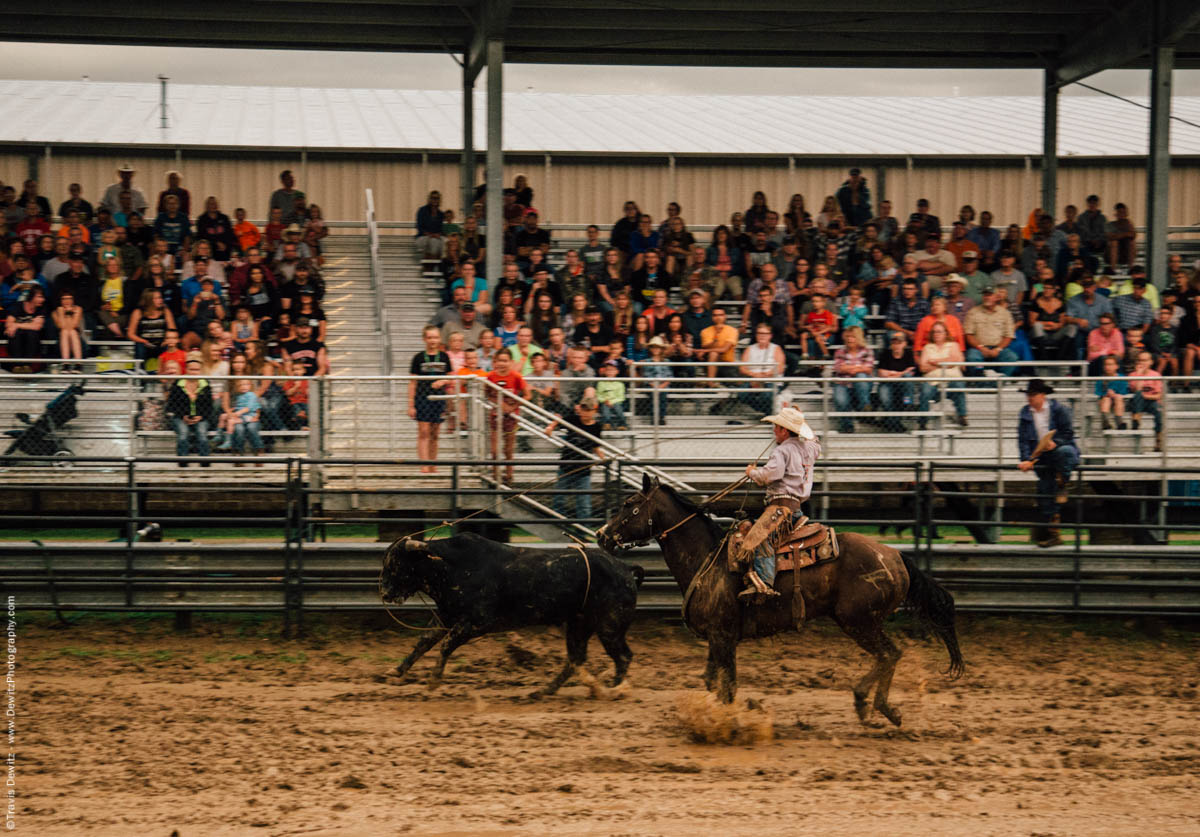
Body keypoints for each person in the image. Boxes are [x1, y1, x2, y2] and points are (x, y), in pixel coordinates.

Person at [736, 407, 822, 602]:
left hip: (780, 508)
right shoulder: (808, 449)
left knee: (759, 537)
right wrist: (803, 421)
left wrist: (752, 473)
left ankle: (765, 584)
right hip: (795, 507)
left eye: (776, 426)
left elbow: (770, 476)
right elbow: (815, 442)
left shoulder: (782, 451)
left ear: (784, 430)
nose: (774, 430)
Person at [1017, 379, 1079, 548]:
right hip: (1042, 456)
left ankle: (1063, 481)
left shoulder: (1059, 410)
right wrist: (1025, 459)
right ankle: (1053, 532)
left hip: (1058, 452)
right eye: (1029, 395)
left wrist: (1055, 442)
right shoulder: (1025, 413)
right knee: (1046, 489)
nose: (1030, 398)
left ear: (1042, 395)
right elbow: (1023, 439)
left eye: (1033, 395)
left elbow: (1068, 433)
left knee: (1064, 452)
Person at [547, 397, 605, 522]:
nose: (584, 413)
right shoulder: (573, 419)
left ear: (594, 411)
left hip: (584, 470)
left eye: (588, 410)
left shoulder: (597, 427)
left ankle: (584, 529)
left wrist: (603, 459)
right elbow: (558, 418)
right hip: (566, 465)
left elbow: (596, 446)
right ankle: (558, 524)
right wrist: (551, 427)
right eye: (583, 409)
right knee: (559, 499)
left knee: (583, 503)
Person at [408, 325, 451, 474]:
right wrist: (411, 405)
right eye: (430, 337)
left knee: (435, 433)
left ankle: (433, 464)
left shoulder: (444, 357)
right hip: (422, 398)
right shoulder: (418, 358)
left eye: (435, 337)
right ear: (424, 339)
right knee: (423, 432)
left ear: (440, 339)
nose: (433, 340)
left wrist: (442, 381)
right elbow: (412, 383)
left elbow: (451, 377)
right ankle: (424, 465)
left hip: (439, 399)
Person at [486, 350, 529, 484]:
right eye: (499, 360)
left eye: (505, 361)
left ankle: (509, 476)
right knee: (494, 450)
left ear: (511, 362)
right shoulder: (491, 376)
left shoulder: (516, 376)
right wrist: (497, 403)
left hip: (511, 416)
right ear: (495, 362)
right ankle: (495, 475)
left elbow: (528, 395)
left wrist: (513, 406)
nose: (502, 364)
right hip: (495, 415)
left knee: (508, 449)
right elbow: (487, 393)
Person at [918, 321, 969, 428]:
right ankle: (922, 421)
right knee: (925, 390)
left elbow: (954, 360)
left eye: (939, 332)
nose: (936, 334)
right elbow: (923, 367)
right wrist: (944, 363)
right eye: (934, 332)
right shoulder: (927, 347)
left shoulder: (954, 345)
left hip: (951, 381)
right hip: (933, 382)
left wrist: (934, 362)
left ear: (946, 333)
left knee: (960, 386)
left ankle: (962, 416)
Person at [166, 353, 213, 466]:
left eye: (197, 370)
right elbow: (172, 405)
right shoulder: (178, 384)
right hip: (180, 417)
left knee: (202, 434)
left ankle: (205, 465)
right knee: (183, 434)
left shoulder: (205, 384)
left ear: (200, 371)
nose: (194, 372)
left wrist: (200, 416)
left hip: (201, 417)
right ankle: (183, 465)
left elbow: (209, 406)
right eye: (191, 369)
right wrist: (183, 416)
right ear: (186, 369)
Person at [963, 286, 1018, 376]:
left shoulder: (1005, 313)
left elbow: (1009, 336)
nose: (986, 297)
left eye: (990, 295)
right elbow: (968, 335)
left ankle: (999, 383)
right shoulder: (973, 312)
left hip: (998, 348)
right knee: (973, 358)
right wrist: (981, 348)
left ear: (996, 297)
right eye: (985, 295)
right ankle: (979, 383)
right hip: (978, 348)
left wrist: (998, 349)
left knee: (1011, 357)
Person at [831, 326, 874, 433]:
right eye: (848, 336)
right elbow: (839, 368)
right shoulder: (840, 351)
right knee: (841, 399)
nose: (850, 339)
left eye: (853, 337)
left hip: (861, 384)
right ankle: (847, 425)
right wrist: (858, 367)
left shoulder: (867, 351)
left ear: (858, 338)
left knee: (861, 376)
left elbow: (868, 369)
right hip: (843, 383)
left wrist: (850, 368)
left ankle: (864, 405)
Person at [1127, 351, 1164, 451]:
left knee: (1159, 412)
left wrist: (1145, 396)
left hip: (1151, 401)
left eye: (1145, 360)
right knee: (1138, 394)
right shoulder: (1132, 375)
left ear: (1151, 362)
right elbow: (1136, 390)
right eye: (1140, 360)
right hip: (1137, 402)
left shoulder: (1156, 375)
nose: (1142, 363)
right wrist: (1139, 375)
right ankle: (1137, 417)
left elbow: (1159, 395)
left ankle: (1158, 441)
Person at [1095, 355, 1129, 430]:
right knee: (1106, 399)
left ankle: (1119, 422)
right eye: (1106, 364)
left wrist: (1114, 394)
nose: (1107, 367)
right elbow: (1098, 392)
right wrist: (1106, 394)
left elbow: (1123, 392)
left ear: (1116, 366)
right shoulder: (1101, 379)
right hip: (1105, 401)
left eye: (1110, 364)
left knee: (1118, 397)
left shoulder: (1122, 378)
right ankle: (1105, 421)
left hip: (1118, 400)